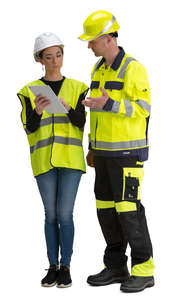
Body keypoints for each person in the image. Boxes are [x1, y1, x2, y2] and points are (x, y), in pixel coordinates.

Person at [79, 11, 155, 293]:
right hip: (103, 154)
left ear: (108, 38)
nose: (89, 46)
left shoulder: (134, 68)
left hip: (127, 155)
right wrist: (92, 148)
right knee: (106, 211)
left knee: (129, 211)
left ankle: (144, 270)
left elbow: (144, 109)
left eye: (92, 41)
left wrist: (111, 104)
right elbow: (96, 114)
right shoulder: (98, 69)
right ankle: (115, 267)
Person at [17, 32, 88, 288]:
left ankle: (66, 266)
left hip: (70, 161)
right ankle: (52, 267)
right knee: (50, 215)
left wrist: (69, 108)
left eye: (58, 55)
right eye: (49, 57)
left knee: (65, 215)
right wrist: (36, 111)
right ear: (40, 59)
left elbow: (81, 123)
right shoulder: (29, 91)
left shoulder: (78, 87)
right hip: (44, 162)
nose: (55, 61)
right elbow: (29, 128)